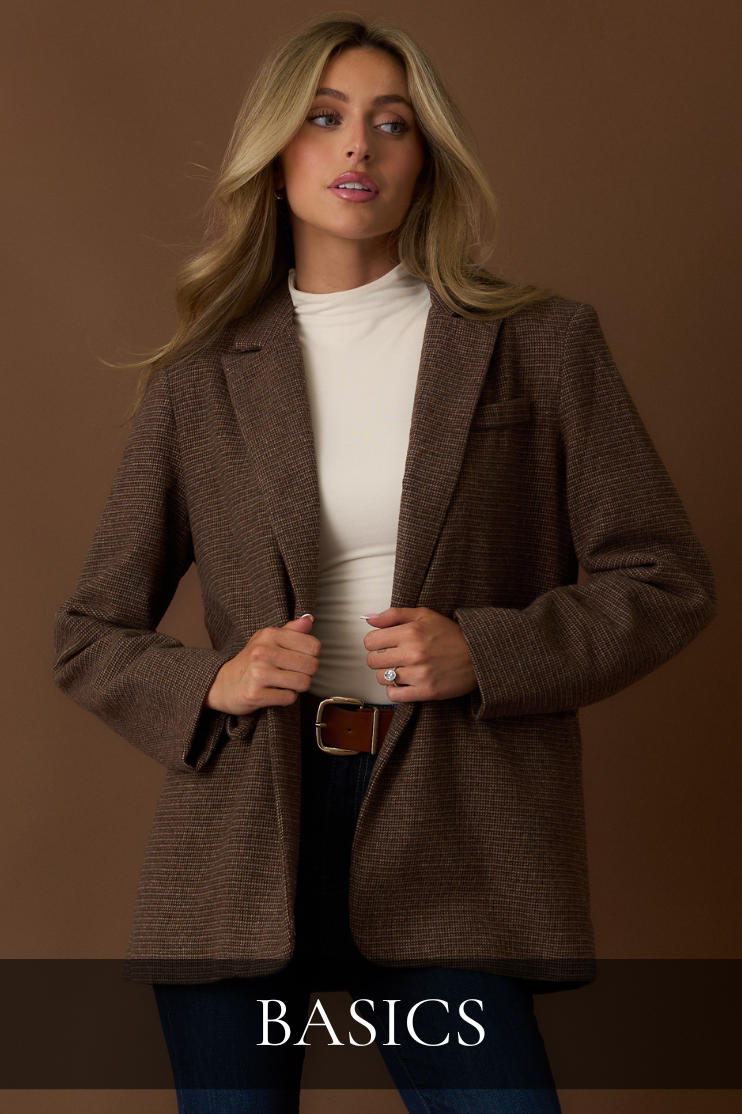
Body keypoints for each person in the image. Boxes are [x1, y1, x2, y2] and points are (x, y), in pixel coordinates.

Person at [52, 12, 716, 1114]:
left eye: (390, 124)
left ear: (425, 160)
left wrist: (487, 650)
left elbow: (662, 577)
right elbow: (90, 630)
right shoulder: (201, 377)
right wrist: (209, 680)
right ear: (276, 158)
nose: (356, 147)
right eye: (323, 119)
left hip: (455, 815)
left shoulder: (539, 343)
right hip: (238, 838)